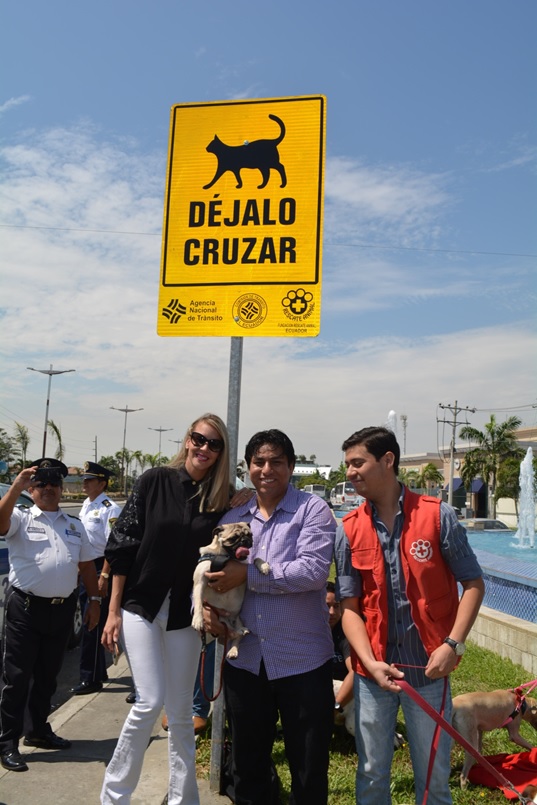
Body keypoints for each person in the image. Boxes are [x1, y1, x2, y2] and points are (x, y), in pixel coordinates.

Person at [101, 413, 246, 805]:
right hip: (141, 606)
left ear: (221, 454)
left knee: (181, 713)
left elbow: (231, 548)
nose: (204, 448)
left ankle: (185, 800)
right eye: (199, 439)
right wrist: (113, 611)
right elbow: (123, 546)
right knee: (149, 701)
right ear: (187, 440)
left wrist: (244, 498)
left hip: (186, 614)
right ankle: (114, 796)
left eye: (214, 444)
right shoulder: (154, 481)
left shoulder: (221, 499)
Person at [334, 427, 485, 805]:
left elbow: (474, 584)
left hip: (430, 672)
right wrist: (368, 662)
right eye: (347, 464)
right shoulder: (348, 530)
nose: (350, 472)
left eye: (358, 463)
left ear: (388, 461)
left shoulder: (437, 517)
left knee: (433, 777)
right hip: (372, 676)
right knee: (371, 773)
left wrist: (453, 644)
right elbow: (350, 608)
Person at [204, 429, 336, 805]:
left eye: (276, 461)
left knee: (308, 769)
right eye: (259, 462)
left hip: (303, 662)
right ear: (248, 468)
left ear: (291, 466)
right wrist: (211, 614)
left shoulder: (313, 510)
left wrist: (248, 575)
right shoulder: (232, 516)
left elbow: (311, 572)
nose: (267, 469)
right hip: (244, 661)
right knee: (249, 768)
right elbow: (211, 571)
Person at [0, 458, 101, 773]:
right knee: (16, 679)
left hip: (62, 609)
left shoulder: (74, 525)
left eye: (53, 483)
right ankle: (7, 743)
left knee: (47, 676)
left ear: (61, 488)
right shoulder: (20, 517)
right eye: (40, 483)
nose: (47, 489)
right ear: (31, 487)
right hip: (26, 610)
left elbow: (86, 566)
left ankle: (39, 731)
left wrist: (95, 600)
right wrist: (16, 484)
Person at [70, 461, 121, 695]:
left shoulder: (110, 508)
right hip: (87, 564)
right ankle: (98, 672)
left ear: (102, 483)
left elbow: (114, 545)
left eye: (89, 480)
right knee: (94, 620)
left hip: (101, 566)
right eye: (84, 479)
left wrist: (104, 574)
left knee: (92, 621)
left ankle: (89, 678)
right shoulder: (86, 504)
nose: (84, 483)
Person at [326, 582, 354, 715]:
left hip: (345, 695)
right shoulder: (308, 632)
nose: (332, 612)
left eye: (336, 606)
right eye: (326, 606)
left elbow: (355, 672)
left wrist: (337, 706)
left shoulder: (346, 634)